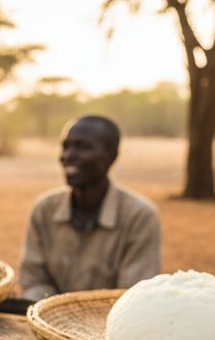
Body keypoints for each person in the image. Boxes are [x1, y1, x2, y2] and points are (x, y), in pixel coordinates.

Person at [18, 116, 160, 299]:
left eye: (82, 147)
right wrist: (52, 309)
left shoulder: (139, 216)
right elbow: (33, 281)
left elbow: (134, 297)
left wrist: (80, 313)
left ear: (111, 156)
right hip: (46, 313)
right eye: (66, 146)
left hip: (110, 317)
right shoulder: (44, 209)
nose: (68, 155)